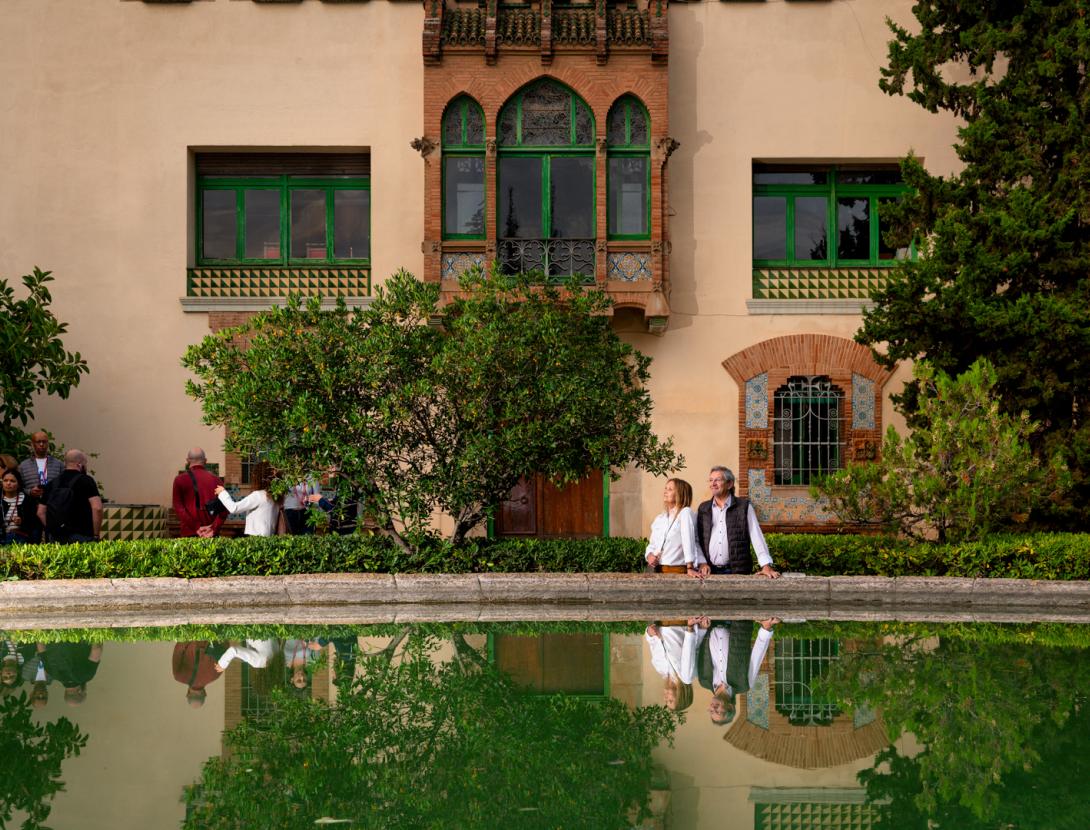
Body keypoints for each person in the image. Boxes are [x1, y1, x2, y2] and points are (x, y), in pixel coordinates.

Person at [695, 466, 780, 578]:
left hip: (737, 570)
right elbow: (697, 539)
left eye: (718, 480)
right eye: (711, 480)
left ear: (729, 484)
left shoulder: (743, 507)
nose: (713, 483)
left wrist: (765, 565)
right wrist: (702, 562)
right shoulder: (703, 508)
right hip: (709, 571)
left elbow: (756, 536)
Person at [695, 618, 777, 725]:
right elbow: (756, 656)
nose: (713, 708)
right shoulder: (743, 685)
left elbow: (697, 651)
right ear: (730, 706)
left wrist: (701, 628)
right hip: (738, 621)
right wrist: (766, 628)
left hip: (709, 621)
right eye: (718, 711)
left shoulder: (704, 680)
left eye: (711, 711)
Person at [36, 449, 102, 544]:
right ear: (80, 464)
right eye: (85, 463)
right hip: (82, 535)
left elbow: (40, 512)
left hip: (56, 537)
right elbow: (97, 508)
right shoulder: (86, 480)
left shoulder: (52, 483)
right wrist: (96, 535)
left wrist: (53, 528)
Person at [644, 478, 702, 576]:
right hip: (657, 570)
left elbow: (688, 539)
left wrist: (690, 567)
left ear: (680, 494)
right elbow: (652, 544)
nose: (665, 492)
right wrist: (649, 555)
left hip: (677, 570)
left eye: (670, 489)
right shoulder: (660, 518)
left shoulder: (685, 513)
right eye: (665, 488)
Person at [172, 447, 228, 538]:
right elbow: (224, 510)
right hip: (211, 534)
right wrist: (213, 528)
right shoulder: (217, 480)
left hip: (189, 532)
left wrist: (196, 527)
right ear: (205, 460)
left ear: (187, 460)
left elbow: (178, 508)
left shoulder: (179, 480)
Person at [214, 462, 282, 537]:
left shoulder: (259, 495)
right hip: (270, 536)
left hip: (257, 537)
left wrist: (222, 493)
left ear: (258, 477)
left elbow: (234, 508)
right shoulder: (275, 496)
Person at [645, 619, 699, 712]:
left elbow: (652, 644)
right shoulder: (687, 676)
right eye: (670, 700)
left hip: (659, 620)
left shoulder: (660, 669)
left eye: (666, 701)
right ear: (681, 696)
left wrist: (649, 633)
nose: (665, 698)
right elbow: (689, 648)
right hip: (678, 622)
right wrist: (690, 628)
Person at [40, 641, 102, 706]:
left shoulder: (86, 675)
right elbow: (41, 647)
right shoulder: (51, 673)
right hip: (53, 632)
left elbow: (97, 649)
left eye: (85, 691)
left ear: (80, 691)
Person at [172, 641, 228, 708]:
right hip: (191, 633)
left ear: (204, 693)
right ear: (188, 694)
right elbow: (179, 648)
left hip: (212, 634)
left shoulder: (215, 675)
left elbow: (226, 647)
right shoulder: (179, 676)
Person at [17, 431, 64, 499]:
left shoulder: (58, 464)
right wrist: (30, 492)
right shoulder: (23, 466)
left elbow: (64, 485)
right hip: (32, 504)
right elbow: (19, 487)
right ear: (32, 444)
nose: (41, 444)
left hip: (53, 503)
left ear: (48, 443)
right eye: (38, 442)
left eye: (44, 442)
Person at [2, 468, 42, 543]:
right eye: (5, 480)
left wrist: (22, 522)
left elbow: (35, 524)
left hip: (21, 537)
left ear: (18, 484)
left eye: (12, 481)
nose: (8, 483)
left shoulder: (27, 500)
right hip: (2, 537)